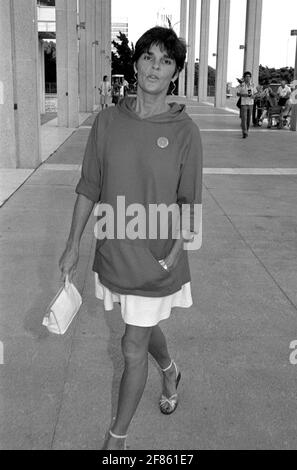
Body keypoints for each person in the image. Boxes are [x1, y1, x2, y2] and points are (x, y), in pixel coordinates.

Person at [59, 26, 203, 450]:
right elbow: (89, 185)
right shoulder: (107, 120)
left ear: (175, 72)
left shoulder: (185, 130)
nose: (155, 67)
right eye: (149, 57)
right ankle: (171, 370)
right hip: (114, 252)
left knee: (131, 344)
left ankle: (116, 440)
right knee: (140, 323)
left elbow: (190, 200)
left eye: (166, 61)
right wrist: (73, 244)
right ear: (136, 63)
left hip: (157, 257)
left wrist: (176, 251)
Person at [236, 71, 257, 138]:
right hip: (243, 104)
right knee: (244, 118)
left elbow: (255, 93)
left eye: (249, 77)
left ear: (250, 78)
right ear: (244, 78)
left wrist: (254, 96)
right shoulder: (241, 85)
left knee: (248, 119)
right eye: (246, 77)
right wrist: (243, 95)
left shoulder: (253, 85)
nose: (248, 78)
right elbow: (237, 93)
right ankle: (244, 132)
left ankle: (246, 130)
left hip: (251, 104)